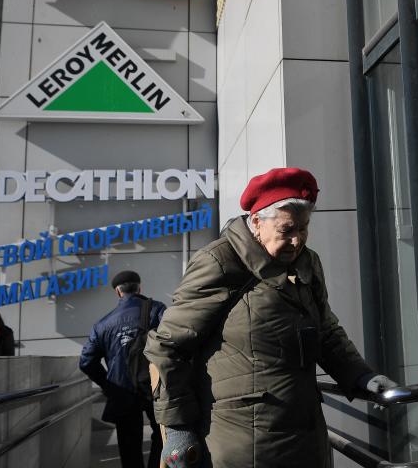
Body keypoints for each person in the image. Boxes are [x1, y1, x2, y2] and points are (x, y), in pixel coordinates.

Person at [145, 167, 397, 468]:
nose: (297, 240)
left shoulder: (308, 262)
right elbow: (168, 347)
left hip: (305, 433)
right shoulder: (220, 261)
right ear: (257, 222)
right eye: (286, 230)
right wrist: (178, 430)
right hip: (241, 442)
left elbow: (325, 330)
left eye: (303, 228)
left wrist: (361, 376)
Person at [80, 270, 167, 468]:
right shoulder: (156, 310)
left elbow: (86, 361)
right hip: (155, 386)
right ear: (139, 288)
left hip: (121, 390)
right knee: (162, 435)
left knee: (129, 445)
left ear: (118, 292)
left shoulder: (102, 325)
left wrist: (107, 385)